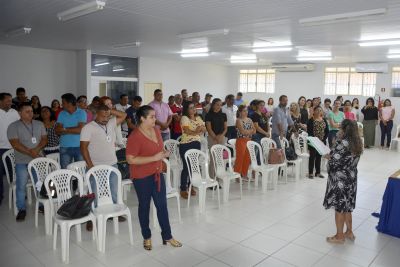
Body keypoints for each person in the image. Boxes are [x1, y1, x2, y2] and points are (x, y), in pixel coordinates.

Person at [126, 105, 182, 251]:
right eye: (151, 117)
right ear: (142, 119)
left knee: (162, 205)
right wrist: (154, 157)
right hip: (141, 177)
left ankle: (167, 236)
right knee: (144, 206)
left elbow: (159, 150)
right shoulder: (135, 136)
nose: (155, 119)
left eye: (155, 116)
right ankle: (147, 237)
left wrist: (164, 153)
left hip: (157, 174)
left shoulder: (156, 130)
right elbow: (130, 160)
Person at [323, 119, 362, 244]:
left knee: (340, 207)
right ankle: (349, 232)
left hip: (341, 180)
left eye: (340, 128)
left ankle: (339, 236)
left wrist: (328, 156)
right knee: (347, 206)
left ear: (344, 130)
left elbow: (334, 162)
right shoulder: (357, 142)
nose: (339, 130)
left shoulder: (342, 143)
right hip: (351, 178)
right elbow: (347, 158)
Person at [8, 103, 47, 221]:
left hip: (38, 159)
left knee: (40, 183)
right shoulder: (13, 126)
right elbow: (15, 144)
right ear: (20, 113)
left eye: (31, 111)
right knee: (21, 185)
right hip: (22, 160)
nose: (31, 113)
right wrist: (31, 153)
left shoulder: (39, 124)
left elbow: (44, 140)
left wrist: (35, 150)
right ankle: (21, 209)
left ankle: (42, 206)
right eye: (27, 111)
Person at [80, 104, 127, 204]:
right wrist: (91, 166)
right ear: (96, 114)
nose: (105, 119)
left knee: (114, 190)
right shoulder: (88, 128)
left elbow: (123, 115)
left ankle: (115, 211)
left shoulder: (111, 123)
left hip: (112, 164)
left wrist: (109, 111)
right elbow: (83, 148)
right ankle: (93, 213)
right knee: (95, 191)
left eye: (107, 116)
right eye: (102, 116)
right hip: (96, 165)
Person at [179, 102, 206, 199]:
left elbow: (204, 129)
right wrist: (197, 131)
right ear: (186, 110)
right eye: (190, 108)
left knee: (193, 166)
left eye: (194, 107)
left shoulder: (198, 118)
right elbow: (186, 131)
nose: (193, 109)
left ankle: (191, 186)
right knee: (186, 167)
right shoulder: (185, 118)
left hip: (196, 144)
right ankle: (183, 188)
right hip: (186, 145)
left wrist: (198, 130)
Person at [55, 93, 87, 169]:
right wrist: (73, 129)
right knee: (65, 172)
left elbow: (80, 130)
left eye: (63, 103)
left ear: (69, 103)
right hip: (64, 147)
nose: (62, 105)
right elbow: (57, 131)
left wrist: (64, 129)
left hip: (79, 146)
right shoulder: (61, 114)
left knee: (80, 171)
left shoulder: (81, 112)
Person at [0, 93, 20, 205]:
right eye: (8, 101)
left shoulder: (14, 112)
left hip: (15, 147)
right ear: (1, 101)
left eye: (10, 100)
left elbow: (20, 126)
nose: (10, 103)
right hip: (0, 148)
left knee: (15, 172)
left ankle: (17, 194)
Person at [206, 98, 227, 178]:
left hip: (221, 137)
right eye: (217, 104)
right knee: (213, 159)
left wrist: (221, 136)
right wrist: (215, 137)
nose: (219, 106)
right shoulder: (209, 115)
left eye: (220, 105)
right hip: (212, 138)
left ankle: (218, 177)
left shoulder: (223, 115)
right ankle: (212, 178)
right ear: (213, 105)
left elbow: (225, 128)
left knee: (220, 158)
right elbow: (209, 128)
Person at [307, 106, 329, 179]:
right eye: (317, 110)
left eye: (320, 110)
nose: (319, 111)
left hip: (322, 141)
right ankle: (310, 173)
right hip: (313, 142)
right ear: (314, 111)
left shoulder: (324, 120)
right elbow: (309, 132)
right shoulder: (310, 120)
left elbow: (327, 131)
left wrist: (323, 139)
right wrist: (315, 140)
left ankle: (318, 172)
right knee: (312, 157)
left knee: (319, 157)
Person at [234, 105, 255, 181]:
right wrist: (250, 131)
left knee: (247, 158)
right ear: (240, 112)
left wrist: (248, 132)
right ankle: (237, 175)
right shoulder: (238, 120)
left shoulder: (249, 119)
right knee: (240, 158)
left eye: (246, 110)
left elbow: (254, 130)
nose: (246, 112)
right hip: (241, 140)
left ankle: (244, 174)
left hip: (249, 140)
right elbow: (242, 131)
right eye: (244, 111)